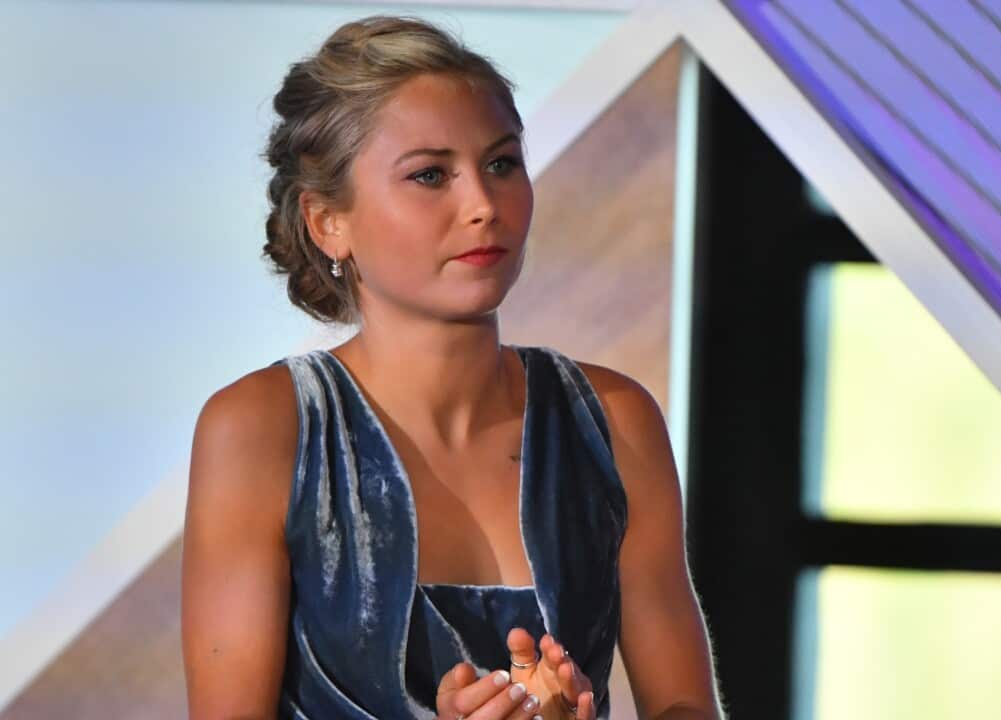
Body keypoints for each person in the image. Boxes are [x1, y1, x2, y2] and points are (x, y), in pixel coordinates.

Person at [182, 14, 721, 720]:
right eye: (430, 175)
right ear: (327, 222)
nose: (483, 205)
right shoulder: (262, 429)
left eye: (501, 164)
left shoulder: (612, 420)